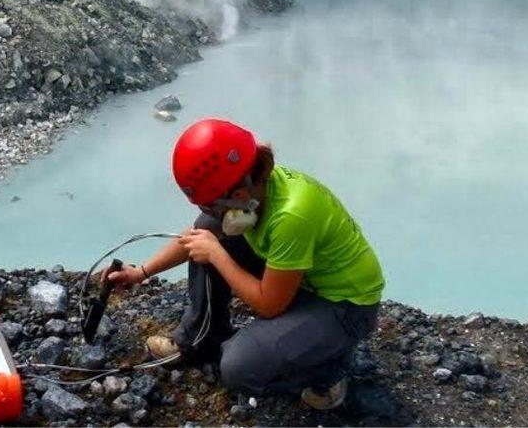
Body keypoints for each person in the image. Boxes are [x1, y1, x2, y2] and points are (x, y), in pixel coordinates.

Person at [107, 118, 385, 410]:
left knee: (240, 368)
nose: (207, 211)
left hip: (345, 305)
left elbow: (269, 305)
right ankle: (201, 339)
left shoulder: (292, 216)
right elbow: (195, 237)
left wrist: (218, 255)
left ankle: (330, 370)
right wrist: (140, 273)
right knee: (208, 230)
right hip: (301, 280)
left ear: (238, 196)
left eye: (208, 205)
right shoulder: (252, 184)